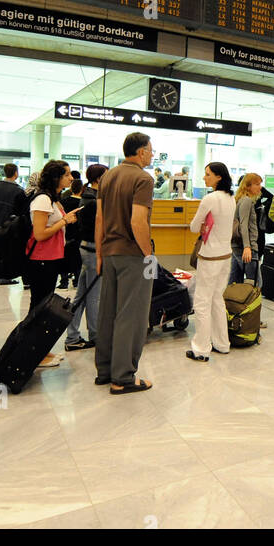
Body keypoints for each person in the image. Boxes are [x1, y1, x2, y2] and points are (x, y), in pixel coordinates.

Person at [94, 132, 156, 393]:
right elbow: (137, 221)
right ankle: (123, 378)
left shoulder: (108, 176)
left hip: (109, 253)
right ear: (140, 152)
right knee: (132, 315)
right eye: (151, 150)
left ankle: (105, 370)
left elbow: (99, 218)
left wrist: (99, 254)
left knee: (108, 312)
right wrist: (148, 254)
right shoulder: (143, 179)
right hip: (133, 255)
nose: (152, 154)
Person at [25, 160, 79, 367]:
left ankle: (40, 351)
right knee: (38, 307)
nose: (71, 178)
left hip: (51, 259)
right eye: (66, 174)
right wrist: (64, 222)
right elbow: (39, 234)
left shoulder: (53, 199)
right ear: (56, 177)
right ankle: (32, 353)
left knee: (44, 307)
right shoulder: (42, 200)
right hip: (41, 260)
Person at [186, 162, 236, 361]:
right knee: (217, 299)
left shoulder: (210, 199)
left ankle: (201, 349)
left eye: (207, 174)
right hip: (226, 255)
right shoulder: (231, 198)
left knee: (202, 302)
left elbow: (192, 227)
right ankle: (222, 344)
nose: (204, 178)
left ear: (218, 177)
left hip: (209, 257)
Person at [65, 163, 107, 352]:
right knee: (93, 296)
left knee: (81, 294)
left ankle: (72, 336)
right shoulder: (93, 200)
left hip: (87, 249)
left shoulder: (87, 195)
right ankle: (95, 335)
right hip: (92, 250)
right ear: (98, 178)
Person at [0, 163, 30, 285]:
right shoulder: (19, 191)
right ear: (16, 173)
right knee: (7, 250)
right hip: (8, 226)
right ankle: (4, 275)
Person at [230, 172, 262, 285]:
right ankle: (249, 303)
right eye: (257, 184)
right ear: (248, 186)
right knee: (255, 283)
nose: (260, 187)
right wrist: (248, 247)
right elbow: (243, 224)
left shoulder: (238, 200)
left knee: (234, 281)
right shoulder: (246, 201)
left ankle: (231, 302)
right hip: (246, 248)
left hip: (237, 246)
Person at [58, 178, 84, 290]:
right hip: (78, 236)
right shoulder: (83, 204)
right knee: (78, 259)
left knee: (64, 258)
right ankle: (77, 280)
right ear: (82, 189)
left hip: (66, 234)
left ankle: (63, 281)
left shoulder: (63, 202)